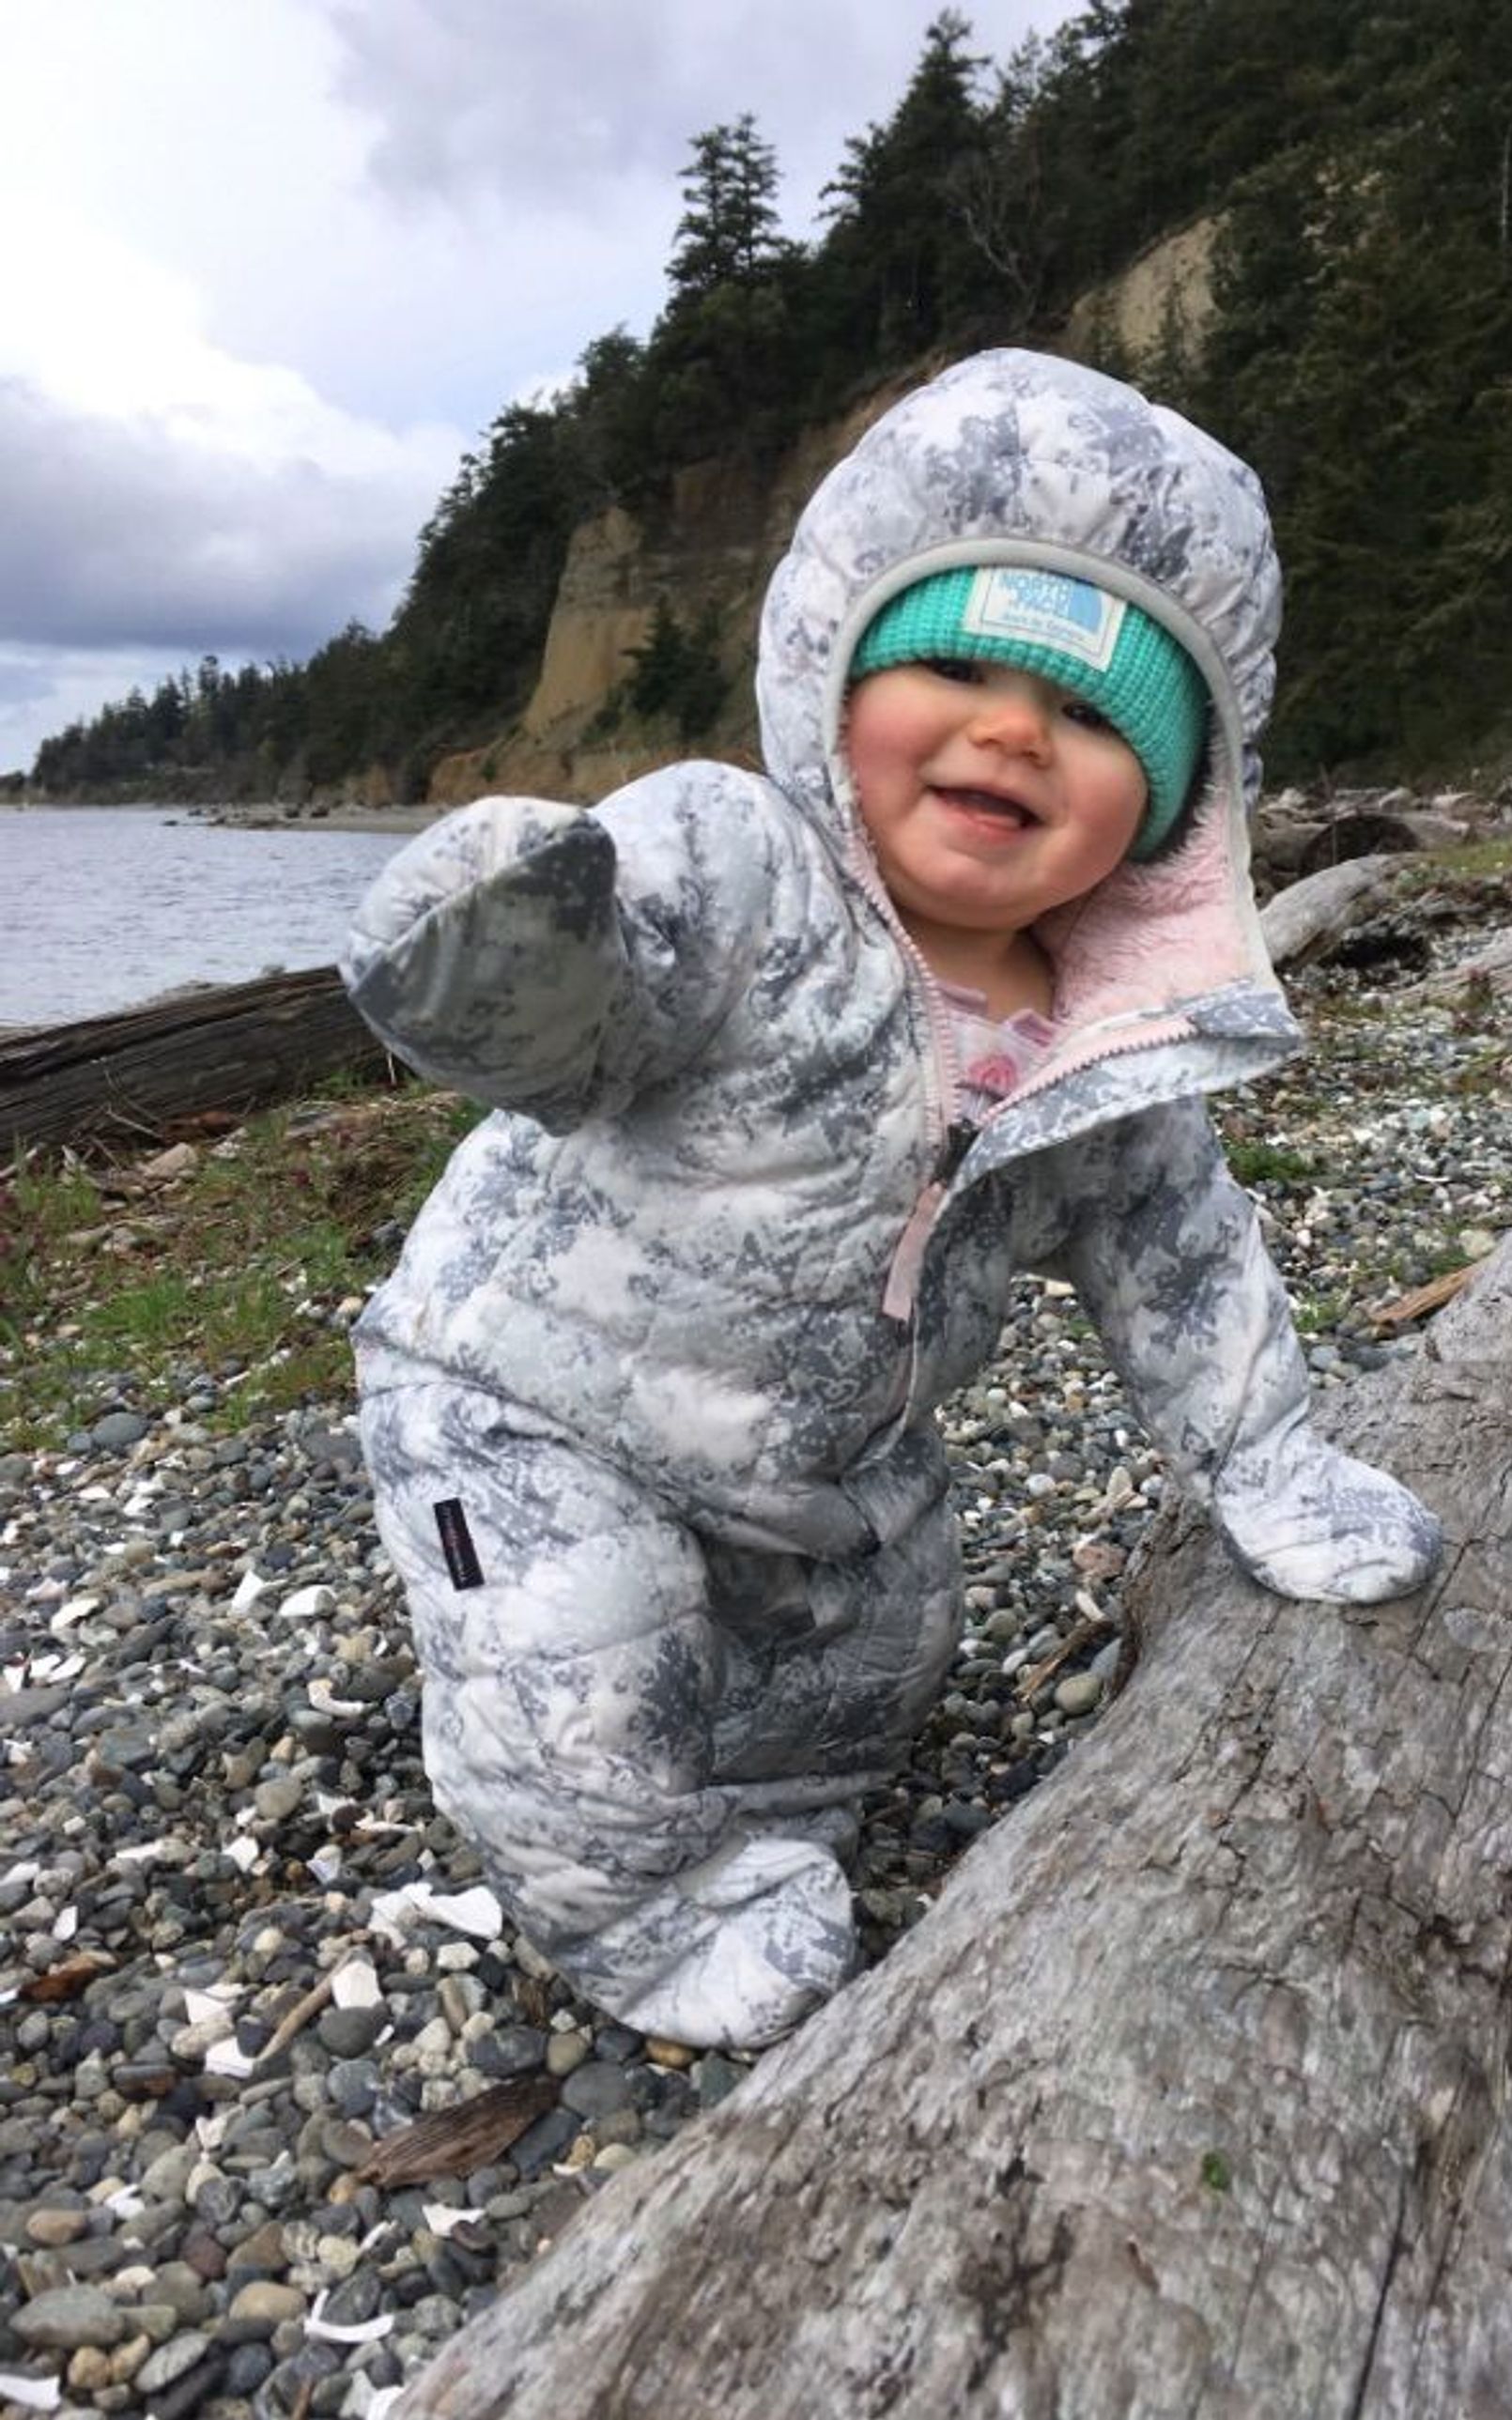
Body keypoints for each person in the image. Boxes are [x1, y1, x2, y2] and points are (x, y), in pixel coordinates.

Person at [339, 347, 1441, 2053]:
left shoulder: (1109, 1034)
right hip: (523, 1399)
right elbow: (590, 1008)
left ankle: (760, 1806)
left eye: (1090, 714)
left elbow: (1180, 1261)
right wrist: (502, 949)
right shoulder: (736, 865)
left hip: (821, 1450)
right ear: (834, 672)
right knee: (582, 1654)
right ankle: (631, 1904)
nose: (1014, 729)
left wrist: (1272, 1460)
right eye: (952, 664)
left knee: (889, 1659)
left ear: (1172, 794)